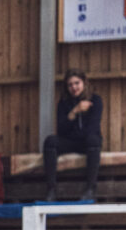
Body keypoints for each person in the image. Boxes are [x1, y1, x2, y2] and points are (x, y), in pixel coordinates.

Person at [43, 68, 103, 201]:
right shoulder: (63, 103)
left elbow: (93, 127)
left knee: (94, 140)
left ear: (84, 82)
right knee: (50, 141)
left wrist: (78, 133)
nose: (74, 87)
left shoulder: (95, 100)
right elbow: (61, 130)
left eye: (77, 83)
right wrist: (74, 111)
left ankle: (90, 189)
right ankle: (51, 190)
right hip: (70, 142)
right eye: (70, 85)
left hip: (87, 142)